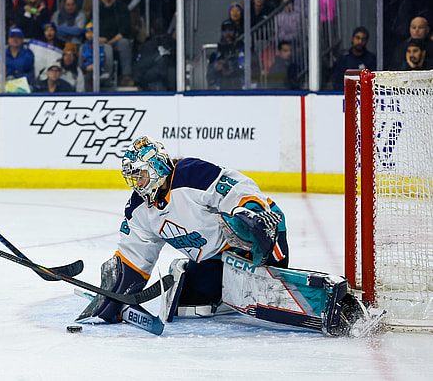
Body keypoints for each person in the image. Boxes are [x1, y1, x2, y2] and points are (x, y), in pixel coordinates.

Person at [77, 135, 378, 337]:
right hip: (214, 262)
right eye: (132, 176)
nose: (136, 181)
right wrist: (115, 289)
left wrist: (250, 210)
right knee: (188, 306)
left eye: (140, 173)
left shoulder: (190, 175)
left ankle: (344, 307)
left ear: (156, 166)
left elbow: (236, 187)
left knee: (262, 283)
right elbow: (134, 256)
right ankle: (200, 279)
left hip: (258, 236)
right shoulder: (139, 210)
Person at [98, 0, 134, 87]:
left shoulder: (122, 8)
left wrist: (111, 41)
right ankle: (106, 78)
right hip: (100, 41)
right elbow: (89, 28)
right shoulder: (97, 9)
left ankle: (126, 76)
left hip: (116, 40)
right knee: (106, 48)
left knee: (124, 43)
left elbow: (125, 30)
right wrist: (98, 38)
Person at [134, 18, 175, 92]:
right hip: (172, 84)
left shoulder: (149, 45)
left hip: (154, 83)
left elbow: (141, 66)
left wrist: (137, 81)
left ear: (151, 30)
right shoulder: (175, 45)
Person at [331, 27, 377, 91]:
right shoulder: (343, 60)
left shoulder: (371, 59)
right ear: (352, 38)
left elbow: (374, 82)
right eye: (357, 38)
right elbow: (337, 82)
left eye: (363, 39)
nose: (360, 42)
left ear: (366, 41)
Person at [207, 19, 244, 90]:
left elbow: (253, 75)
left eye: (230, 31)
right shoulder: (215, 55)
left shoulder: (244, 51)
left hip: (241, 91)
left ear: (236, 33)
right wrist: (216, 68)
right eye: (224, 31)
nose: (227, 34)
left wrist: (235, 70)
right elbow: (209, 79)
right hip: (220, 92)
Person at [82, 22, 106, 90]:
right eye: (87, 32)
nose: (89, 35)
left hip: (98, 68)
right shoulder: (84, 46)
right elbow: (84, 58)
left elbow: (102, 58)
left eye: (92, 32)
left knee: (91, 76)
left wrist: (94, 65)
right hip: (86, 68)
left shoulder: (99, 45)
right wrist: (87, 66)